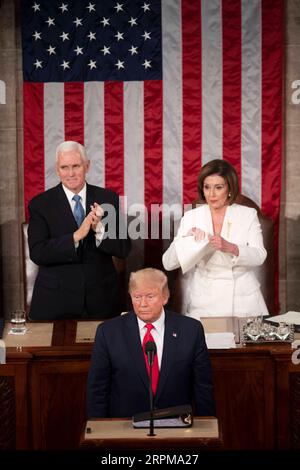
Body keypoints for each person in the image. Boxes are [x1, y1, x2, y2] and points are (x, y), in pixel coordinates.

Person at [87, 268, 215, 418]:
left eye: (150, 296)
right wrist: (98, 431)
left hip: (176, 427)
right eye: (137, 297)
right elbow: (97, 389)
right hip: (125, 428)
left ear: (165, 297)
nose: (143, 304)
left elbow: (203, 387)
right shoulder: (108, 332)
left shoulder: (191, 330)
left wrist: (207, 427)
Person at [27, 141, 131, 320]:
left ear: (87, 166)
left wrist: (99, 229)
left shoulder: (108, 198)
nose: (71, 173)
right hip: (55, 303)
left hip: (102, 301)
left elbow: (123, 248)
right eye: (64, 167)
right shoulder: (40, 204)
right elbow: (38, 252)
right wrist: (76, 236)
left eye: (76, 166)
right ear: (57, 169)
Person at [162, 159, 268, 320]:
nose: (211, 194)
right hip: (204, 300)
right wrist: (186, 241)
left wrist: (231, 247)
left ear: (230, 189)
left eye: (218, 187)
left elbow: (260, 255)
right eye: (207, 187)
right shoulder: (191, 217)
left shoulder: (248, 214)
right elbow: (168, 263)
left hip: (243, 301)